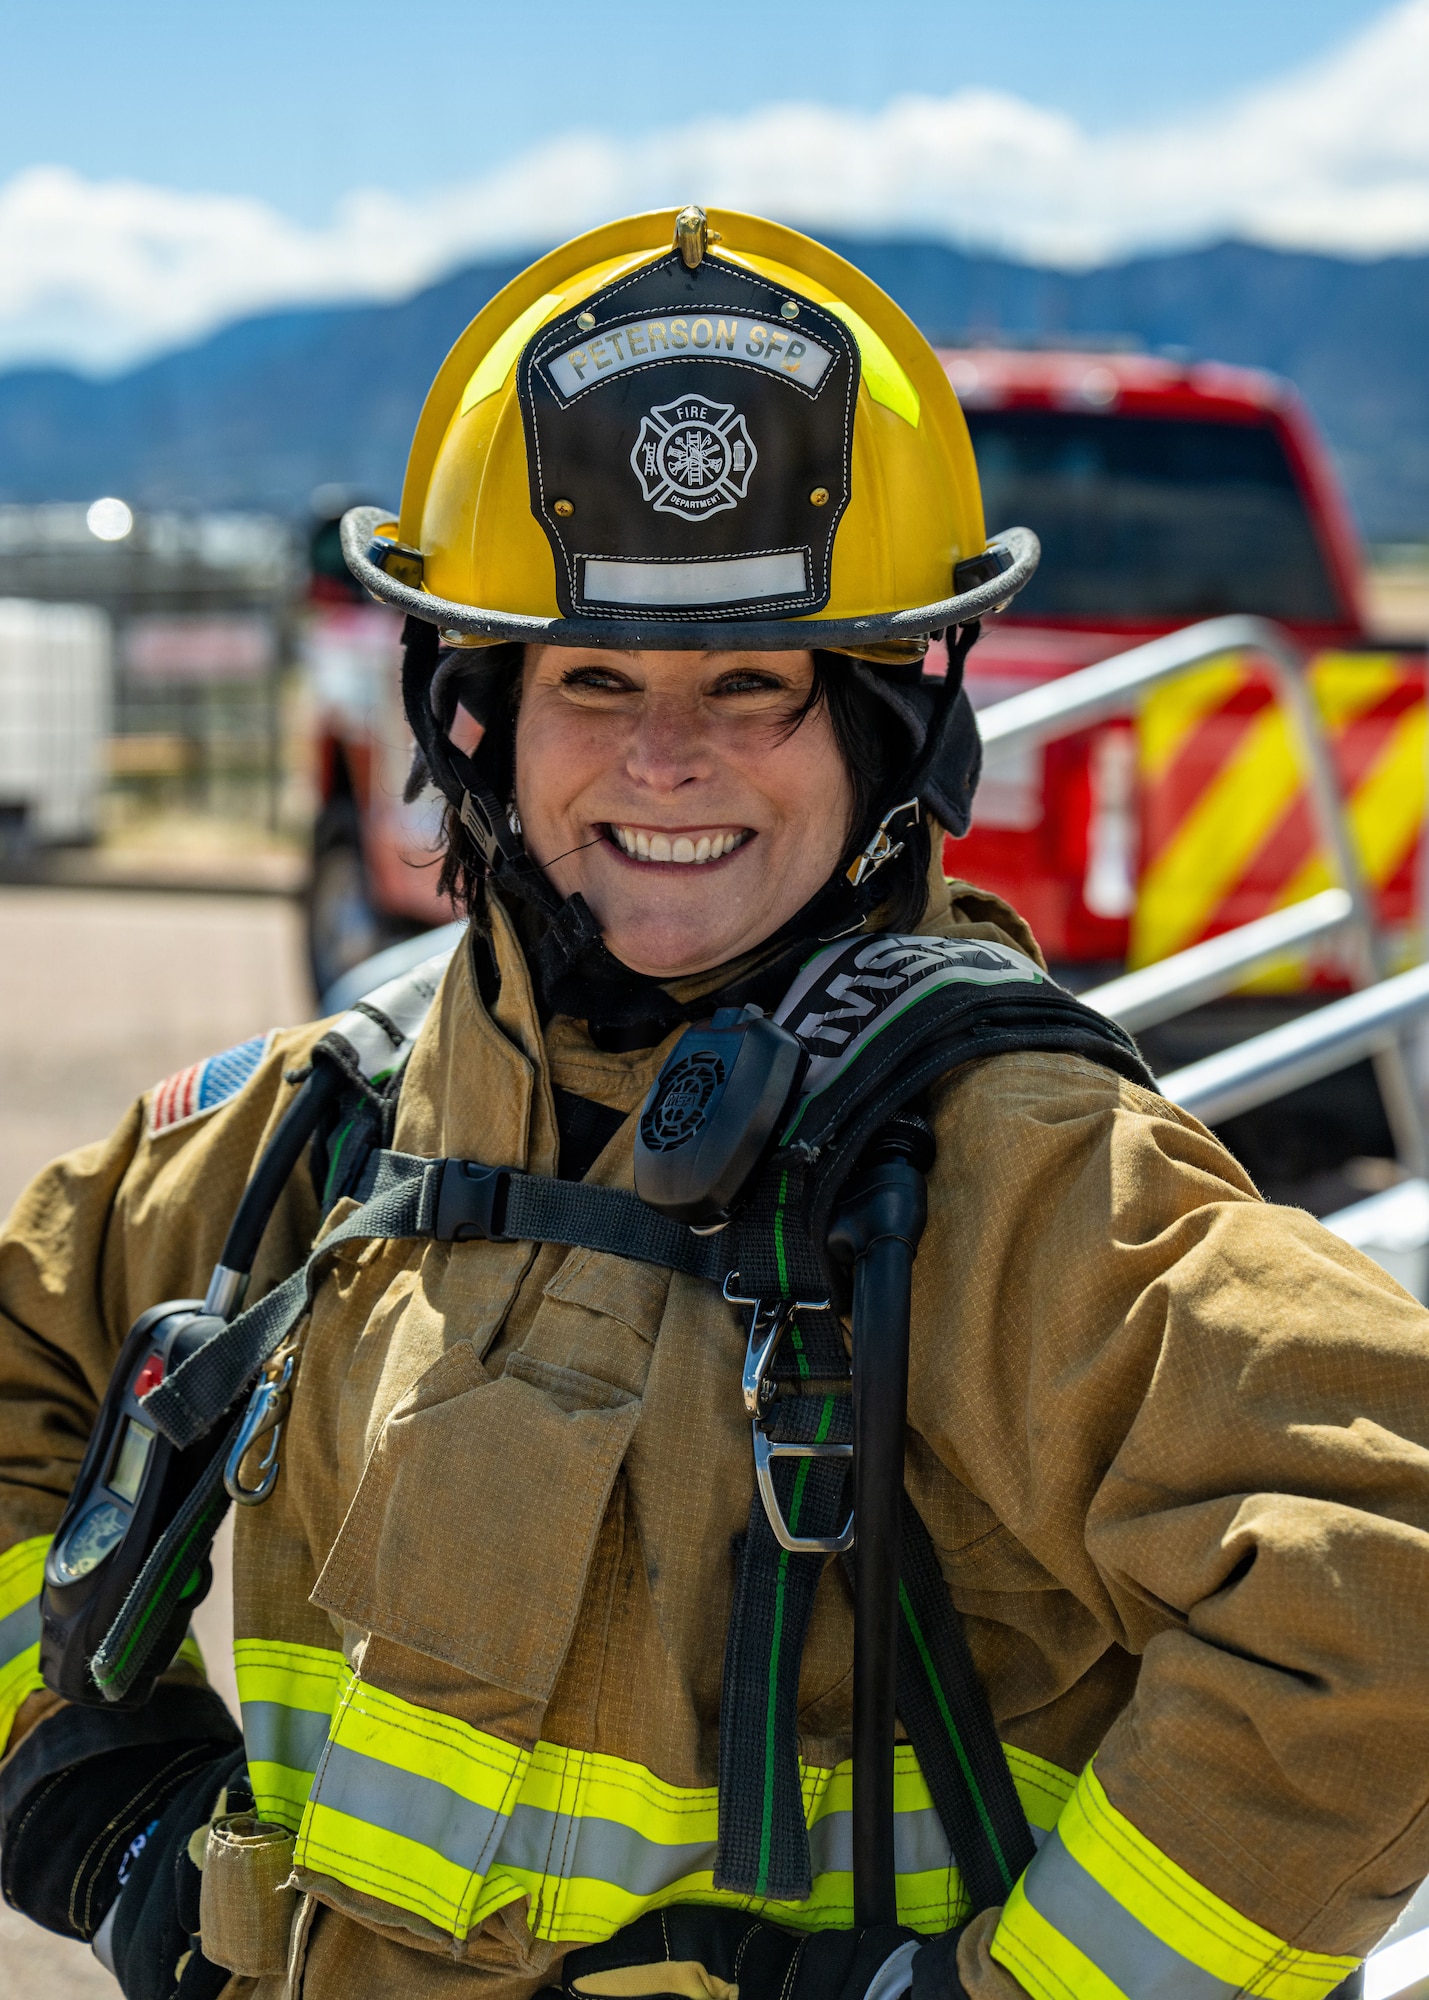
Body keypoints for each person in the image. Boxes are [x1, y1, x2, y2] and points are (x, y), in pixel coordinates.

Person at [1, 205, 1427, 2000]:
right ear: (476, 722)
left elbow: (1387, 1582)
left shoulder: (1001, 1170)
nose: (666, 757)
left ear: (878, 733)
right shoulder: (346, 1116)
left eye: (751, 685)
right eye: (592, 679)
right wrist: (99, 1800)